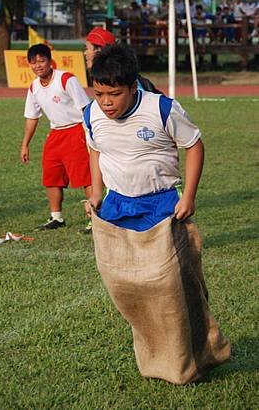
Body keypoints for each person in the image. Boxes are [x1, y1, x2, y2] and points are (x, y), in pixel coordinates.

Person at [83, 44, 231, 385]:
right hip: (118, 207)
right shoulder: (91, 114)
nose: (106, 102)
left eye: (114, 94)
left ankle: (194, 359)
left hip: (162, 207)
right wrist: (96, 191)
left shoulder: (161, 108)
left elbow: (193, 144)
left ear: (133, 86)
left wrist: (189, 196)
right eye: (100, 93)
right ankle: (157, 356)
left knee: (174, 290)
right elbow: (94, 148)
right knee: (127, 289)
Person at [20, 43, 92, 231]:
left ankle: (94, 218)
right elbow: (32, 117)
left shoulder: (66, 79)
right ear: (29, 64)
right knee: (51, 175)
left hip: (77, 130)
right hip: (56, 133)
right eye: (34, 62)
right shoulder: (34, 87)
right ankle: (56, 218)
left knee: (86, 176)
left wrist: (91, 134)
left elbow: (86, 108)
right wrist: (25, 144)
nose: (38, 66)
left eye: (42, 61)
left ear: (50, 61)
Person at [84, 27, 163, 94]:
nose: (85, 53)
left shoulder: (125, 80)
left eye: (87, 48)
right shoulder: (109, 77)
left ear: (98, 50)